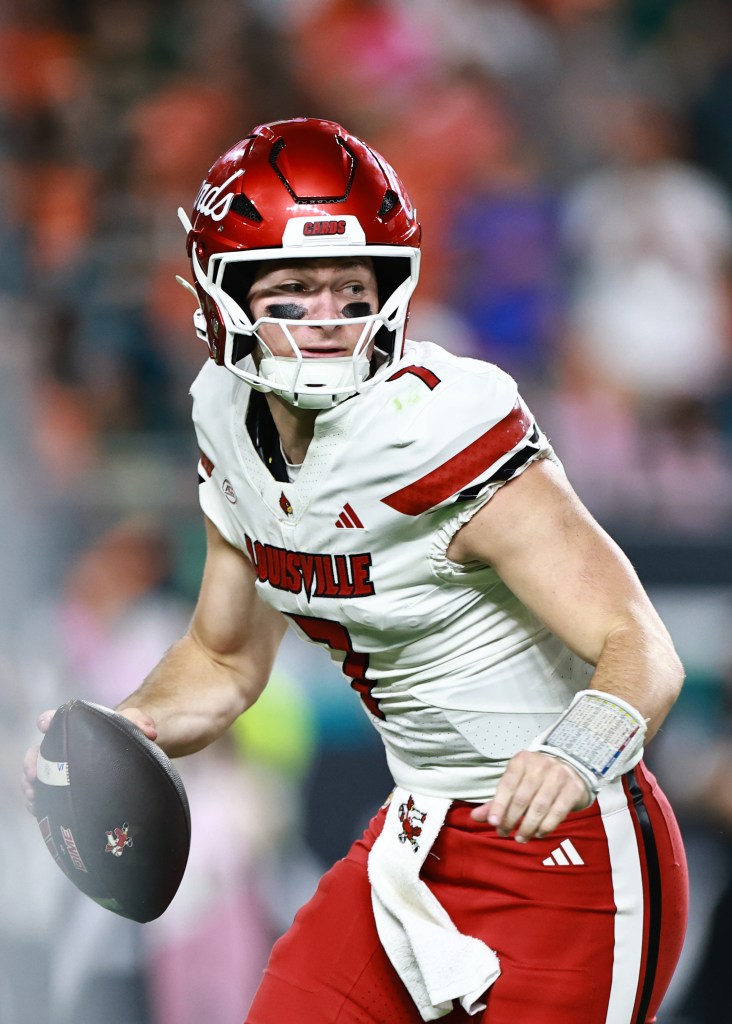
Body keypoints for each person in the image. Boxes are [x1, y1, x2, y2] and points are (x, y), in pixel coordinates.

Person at [24, 117, 688, 1024]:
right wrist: (127, 730)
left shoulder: (442, 426)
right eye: (295, 290)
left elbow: (643, 648)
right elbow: (223, 663)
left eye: (351, 288)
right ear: (227, 297)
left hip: (569, 857)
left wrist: (578, 750)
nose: (331, 320)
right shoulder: (226, 416)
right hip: (417, 835)